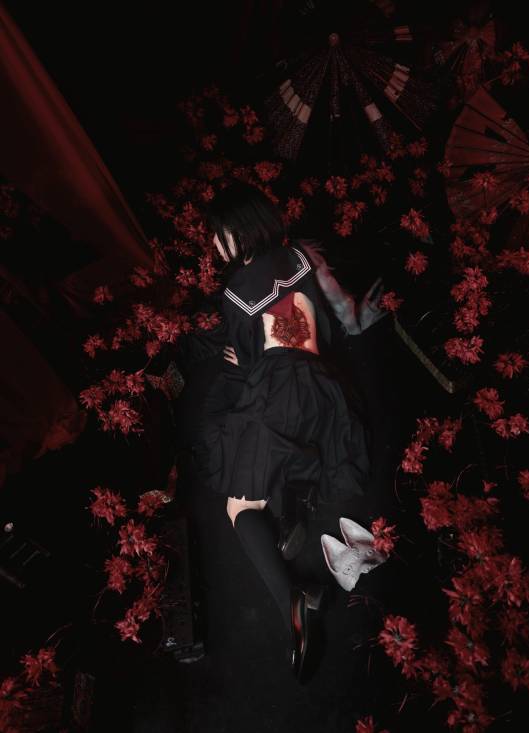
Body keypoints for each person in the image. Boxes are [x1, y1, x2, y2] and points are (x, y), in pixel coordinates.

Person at [192, 181, 383, 681]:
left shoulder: (236, 292)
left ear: (237, 233)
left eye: (218, 235)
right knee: (280, 446)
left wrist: (238, 361)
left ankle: (291, 602)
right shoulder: (299, 255)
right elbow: (332, 316)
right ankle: (294, 510)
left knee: (239, 505)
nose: (214, 245)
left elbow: (248, 362)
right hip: (326, 387)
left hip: (281, 390)